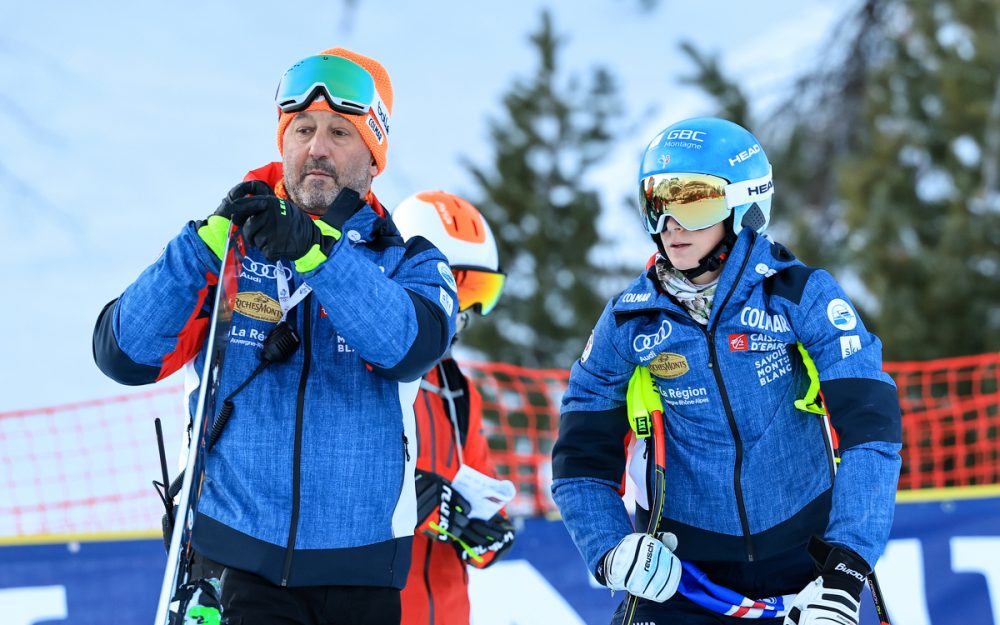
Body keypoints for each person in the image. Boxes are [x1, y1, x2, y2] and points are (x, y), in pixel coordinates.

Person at [93, 47, 458, 625]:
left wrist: (319, 255)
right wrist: (197, 250)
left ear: (373, 155)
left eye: (340, 131)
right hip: (233, 569)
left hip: (360, 579)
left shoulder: (409, 260)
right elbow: (124, 355)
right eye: (303, 129)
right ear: (282, 142)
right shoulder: (228, 248)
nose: (316, 147)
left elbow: (408, 348)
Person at [551, 117, 902, 624]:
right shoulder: (629, 320)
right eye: (657, 201)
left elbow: (872, 430)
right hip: (678, 573)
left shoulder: (800, 296)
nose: (671, 223)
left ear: (744, 207)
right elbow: (580, 457)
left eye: (693, 202)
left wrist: (846, 570)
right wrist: (609, 548)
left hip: (805, 567)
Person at [390, 191, 517, 625]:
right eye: (457, 283)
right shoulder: (361, 370)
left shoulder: (455, 390)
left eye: (479, 290)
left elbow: (482, 492)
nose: (465, 308)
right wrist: (406, 498)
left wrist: (486, 534)